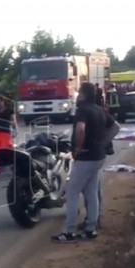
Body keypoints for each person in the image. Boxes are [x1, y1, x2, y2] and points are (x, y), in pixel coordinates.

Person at [52, 82, 117, 243]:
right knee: (91, 192)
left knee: (72, 193)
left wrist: (79, 148)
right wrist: (102, 143)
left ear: (83, 94)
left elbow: (80, 129)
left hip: (85, 157)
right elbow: (116, 126)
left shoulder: (82, 110)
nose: (77, 96)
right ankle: (90, 229)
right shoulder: (99, 110)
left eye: (78, 93)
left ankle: (70, 231)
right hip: (98, 157)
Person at [0, 97, 17, 180]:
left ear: (3, 102)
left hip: (5, 133)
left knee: (6, 152)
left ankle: (12, 169)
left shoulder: (9, 110)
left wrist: (14, 130)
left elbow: (14, 122)